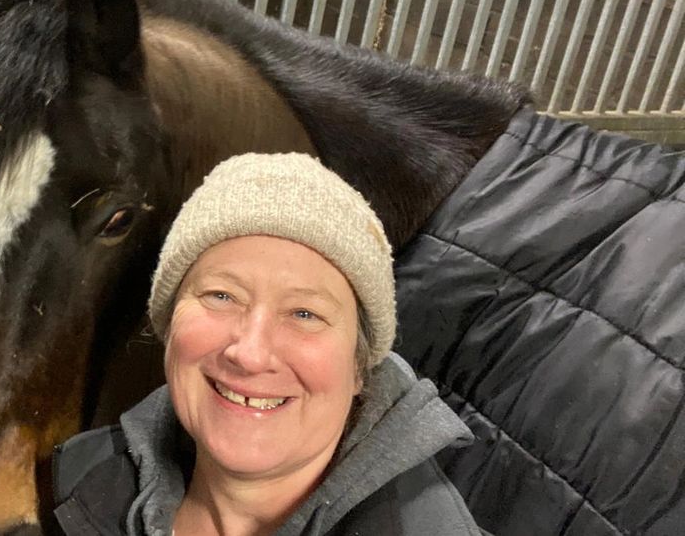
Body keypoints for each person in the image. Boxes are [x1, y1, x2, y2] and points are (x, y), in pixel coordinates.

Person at [50, 153, 483, 535]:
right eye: (221, 296)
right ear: (167, 323)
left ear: (359, 366)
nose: (250, 353)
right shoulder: (70, 484)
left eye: (304, 314)